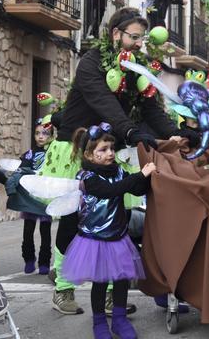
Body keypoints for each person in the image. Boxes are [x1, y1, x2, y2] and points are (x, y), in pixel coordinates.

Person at [41, 7, 192, 315]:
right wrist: (132, 131)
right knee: (74, 220)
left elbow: (151, 108)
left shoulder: (137, 66)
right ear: (116, 34)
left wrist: (175, 134)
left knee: (115, 220)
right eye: (134, 37)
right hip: (77, 148)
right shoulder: (91, 63)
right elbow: (104, 102)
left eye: (142, 38)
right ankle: (63, 289)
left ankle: (110, 294)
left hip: (111, 149)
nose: (139, 43)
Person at [61, 124, 152, 339]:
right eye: (103, 150)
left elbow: (135, 187)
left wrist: (146, 178)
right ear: (89, 154)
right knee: (100, 282)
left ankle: (119, 319)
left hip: (118, 236)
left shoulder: (119, 171)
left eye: (111, 148)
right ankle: (99, 322)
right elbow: (110, 191)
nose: (110, 153)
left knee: (121, 279)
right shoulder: (86, 177)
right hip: (94, 238)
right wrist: (140, 175)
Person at [19, 119, 54, 274]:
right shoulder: (29, 154)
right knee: (28, 229)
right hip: (30, 197)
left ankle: (44, 262)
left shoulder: (53, 154)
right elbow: (22, 170)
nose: (41, 137)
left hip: (45, 197)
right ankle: (29, 259)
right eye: (38, 133)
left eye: (45, 134)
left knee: (45, 231)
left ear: (51, 136)